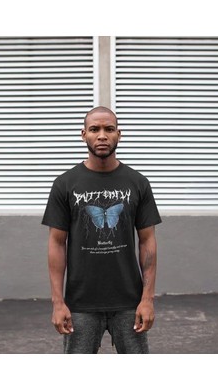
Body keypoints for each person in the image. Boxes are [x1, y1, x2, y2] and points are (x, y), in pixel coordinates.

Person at [42, 106, 161, 353]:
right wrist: (58, 302)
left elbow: (147, 241)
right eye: (95, 129)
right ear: (83, 134)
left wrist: (147, 299)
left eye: (109, 129)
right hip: (80, 303)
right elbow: (56, 243)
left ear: (119, 134)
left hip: (129, 302)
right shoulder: (65, 184)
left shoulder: (138, 182)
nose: (102, 136)